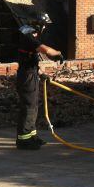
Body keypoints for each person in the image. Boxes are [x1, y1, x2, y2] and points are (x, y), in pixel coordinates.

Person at [15, 13, 63, 150]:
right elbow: (45, 50)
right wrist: (58, 53)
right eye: (44, 25)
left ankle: (31, 136)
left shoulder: (29, 34)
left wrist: (41, 74)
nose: (44, 29)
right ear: (38, 24)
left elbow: (31, 61)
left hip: (31, 75)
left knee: (33, 106)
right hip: (26, 78)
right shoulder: (27, 35)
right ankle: (23, 140)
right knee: (28, 107)